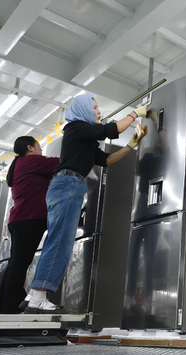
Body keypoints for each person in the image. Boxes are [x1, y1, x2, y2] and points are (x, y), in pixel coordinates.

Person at [24, 93, 147, 314]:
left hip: (68, 185)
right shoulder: (76, 127)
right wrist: (135, 113)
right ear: (82, 110)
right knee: (60, 242)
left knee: (57, 241)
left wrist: (130, 146)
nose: (99, 111)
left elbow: (105, 161)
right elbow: (112, 129)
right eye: (95, 107)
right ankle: (39, 298)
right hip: (68, 184)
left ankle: (35, 295)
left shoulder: (85, 138)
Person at [0, 136, 59, 314]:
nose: (41, 150)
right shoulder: (31, 160)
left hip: (19, 220)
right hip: (28, 219)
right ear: (30, 147)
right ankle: (13, 306)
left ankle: (5, 307)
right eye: (39, 146)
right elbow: (59, 162)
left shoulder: (20, 164)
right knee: (20, 263)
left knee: (16, 263)